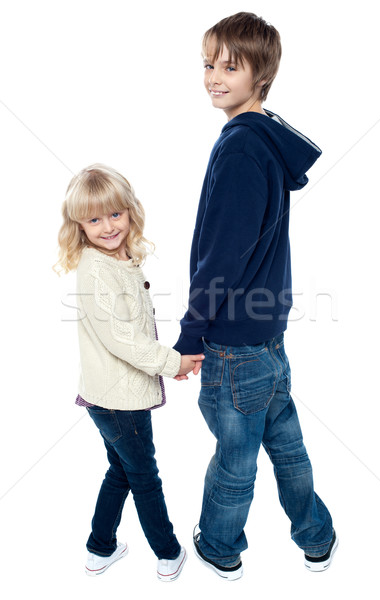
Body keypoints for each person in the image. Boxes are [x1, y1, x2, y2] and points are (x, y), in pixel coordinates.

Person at [173, 12, 337, 580]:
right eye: (207, 63)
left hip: (233, 345)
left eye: (229, 66)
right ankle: (317, 538)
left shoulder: (243, 150)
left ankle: (219, 547)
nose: (213, 76)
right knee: (286, 446)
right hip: (267, 338)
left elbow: (223, 256)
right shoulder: (264, 138)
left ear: (260, 74)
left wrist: (191, 335)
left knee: (236, 459)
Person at [55, 163, 204, 581]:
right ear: (79, 224)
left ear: (130, 211)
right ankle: (169, 552)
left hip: (110, 395)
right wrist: (174, 362)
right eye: (94, 219)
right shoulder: (95, 270)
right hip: (119, 401)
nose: (107, 226)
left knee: (120, 470)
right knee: (143, 476)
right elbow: (122, 339)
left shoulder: (118, 257)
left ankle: (100, 548)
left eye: (115, 214)